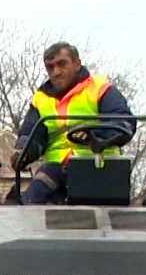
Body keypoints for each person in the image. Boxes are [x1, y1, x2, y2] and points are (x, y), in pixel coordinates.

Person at [11, 42, 135, 205]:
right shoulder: (41, 99)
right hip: (56, 170)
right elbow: (33, 134)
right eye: (50, 67)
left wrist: (94, 135)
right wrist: (23, 151)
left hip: (98, 168)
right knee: (29, 203)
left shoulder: (99, 88)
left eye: (62, 64)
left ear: (77, 64)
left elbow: (123, 123)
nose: (56, 72)